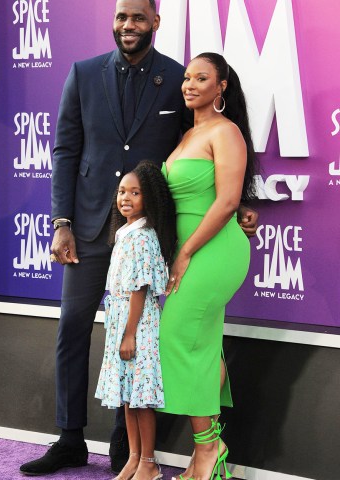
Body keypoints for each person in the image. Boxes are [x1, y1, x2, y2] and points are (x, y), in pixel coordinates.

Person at [20, 0, 258, 476]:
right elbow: (66, 149)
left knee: (137, 338)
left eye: (137, 17)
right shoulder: (83, 74)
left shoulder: (176, 78)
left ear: (155, 23)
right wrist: (60, 221)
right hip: (88, 228)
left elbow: (213, 157)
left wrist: (241, 205)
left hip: (151, 239)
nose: (128, 25)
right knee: (73, 328)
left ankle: (125, 447)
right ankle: (69, 438)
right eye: (121, 17)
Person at [157, 52, 258, 480]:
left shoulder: (226, 131)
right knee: (201, 345)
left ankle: (208, 448)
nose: (190, 84)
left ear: (221, 88)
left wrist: (185, 252)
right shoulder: (184, 137)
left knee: (177, 337)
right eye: (186, 78)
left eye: (202, 78)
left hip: (214, 249)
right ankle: (210, 452)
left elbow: (228, 202)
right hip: (191, 248)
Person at [95, 161, 176, 480]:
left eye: (135, 192)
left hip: (137, 324)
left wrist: (128, 335)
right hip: (122, 320)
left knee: (141, 398)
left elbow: (140, 289)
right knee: (129, 396)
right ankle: (132, 458)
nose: (125, 197)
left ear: (149, 198)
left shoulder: (143, 236)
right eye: (122, 191)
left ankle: (149, 462)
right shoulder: (125, 232)